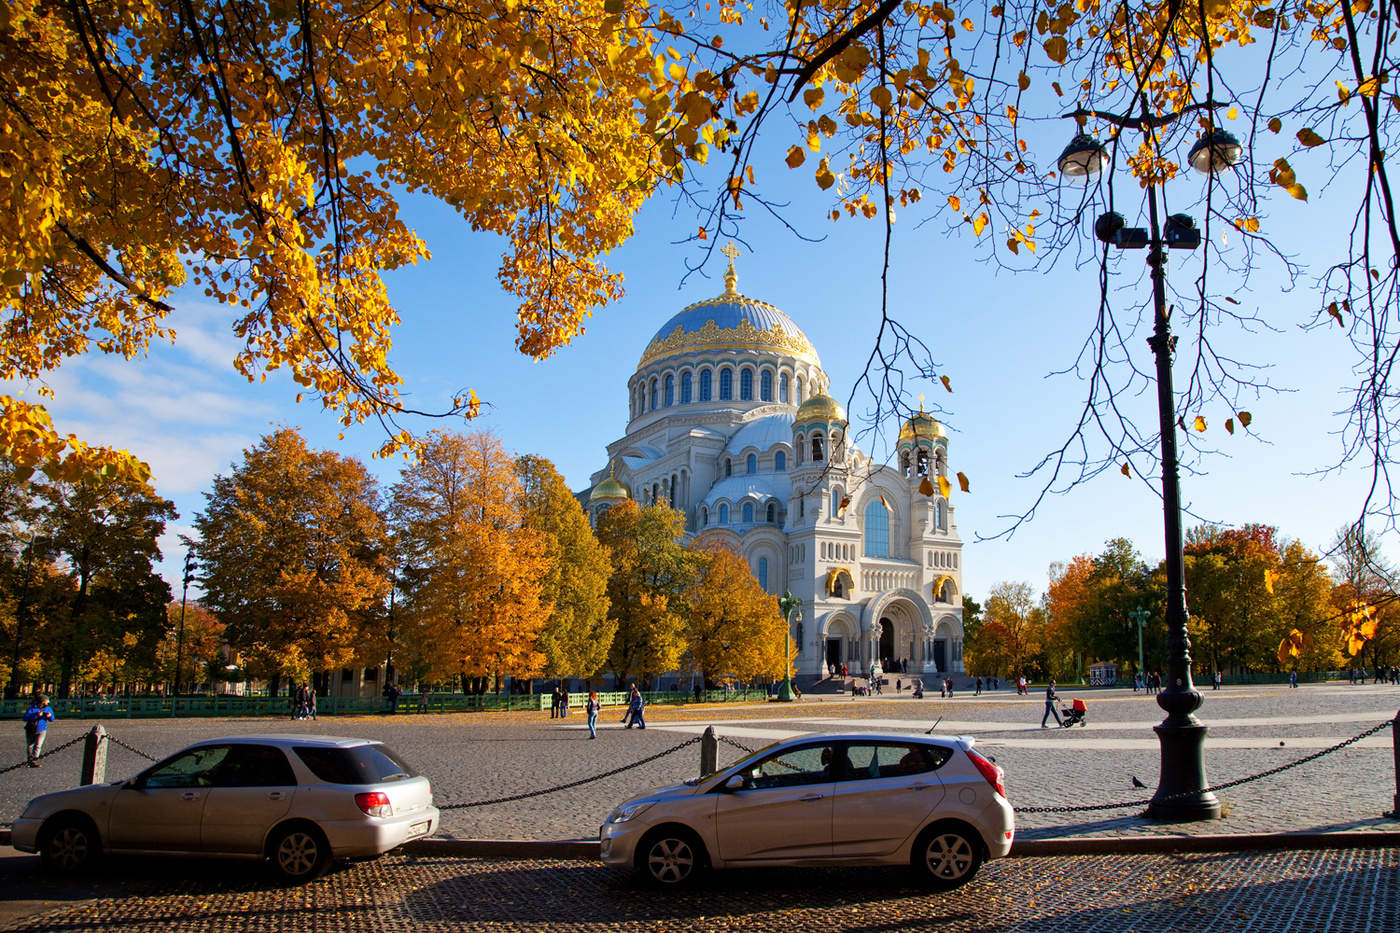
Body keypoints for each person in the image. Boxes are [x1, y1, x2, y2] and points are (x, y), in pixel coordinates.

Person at [23, 694, 54, 767]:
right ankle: (29, 760)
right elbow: (25, 718)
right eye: (46, 701)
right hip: (31, 729)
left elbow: (52, 719)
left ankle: (34, 760)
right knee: (30, 745)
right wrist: (36, 715)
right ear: (42, 701)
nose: (48, 703)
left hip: (42, 729)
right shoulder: (32, 708)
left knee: (38, 745)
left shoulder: (48, 708)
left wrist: (49, 716)